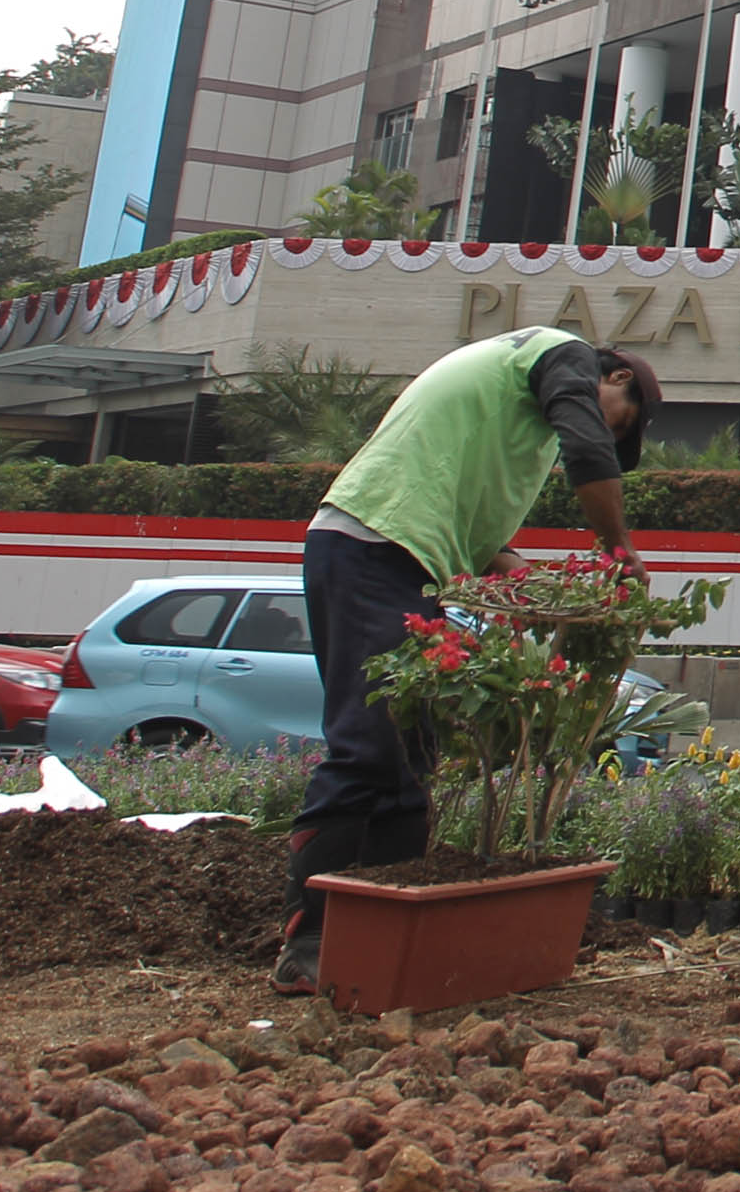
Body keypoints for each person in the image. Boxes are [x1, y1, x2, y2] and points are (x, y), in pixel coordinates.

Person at [276, 327, 657, 992]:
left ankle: (378, 942)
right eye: (620, 425)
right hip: (371, 544)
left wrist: (552, 596)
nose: (608, 438)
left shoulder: (516, 431)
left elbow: (486, 551)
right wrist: (617, 550)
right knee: (368, 747)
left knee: (408, 758)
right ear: (617, 378)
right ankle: (306, 938)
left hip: (402, 561)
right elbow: (588, 450)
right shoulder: (557, 352)